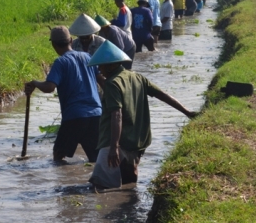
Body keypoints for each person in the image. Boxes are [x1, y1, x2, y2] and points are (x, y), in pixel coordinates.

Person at [86, 41, 198, 189]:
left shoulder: (112, 83)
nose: (99, 69)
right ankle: (130, 207)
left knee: (99, 185)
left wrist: (114, 147)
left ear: (110, 65)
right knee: (129, 182)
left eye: (101, 65)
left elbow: (117, 115)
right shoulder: (137, 77)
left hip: (114, 142)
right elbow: (162, 95)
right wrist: (187, 112)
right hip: (138, 140)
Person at [24, 26, 102, 162]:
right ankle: (93, 182)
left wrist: (35, 83)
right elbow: (103, 81)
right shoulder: (87, 56)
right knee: (95, 158)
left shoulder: (61, 62)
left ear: (53, 45)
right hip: (96, 114)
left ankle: (63, 182)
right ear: (71, 40)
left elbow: (50, 87)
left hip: (74, 116)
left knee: (59, 155)